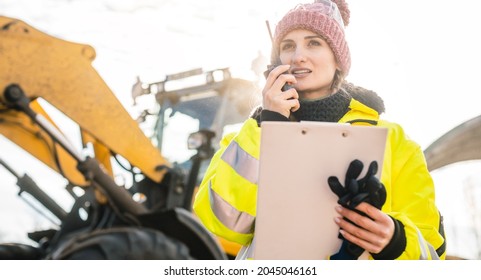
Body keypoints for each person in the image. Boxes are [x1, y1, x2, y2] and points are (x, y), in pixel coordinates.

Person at [193, 0, 446, 260]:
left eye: (314, 43)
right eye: (287, 46)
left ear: (338, 60)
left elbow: (431, 251)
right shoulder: (246, 137)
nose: (297, 56)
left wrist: (395, 240)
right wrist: (268, 126)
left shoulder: (395, 141)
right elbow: (225, 223)